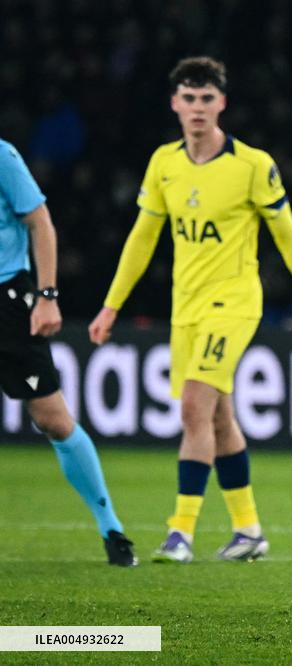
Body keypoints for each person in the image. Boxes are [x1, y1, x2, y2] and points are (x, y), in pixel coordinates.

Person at [89, 57, 292, 563]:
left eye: (206, 99)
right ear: (175, 103)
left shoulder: (252, 165)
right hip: (187, 308)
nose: (197, 108)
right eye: (189, 98)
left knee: (193, 406)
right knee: (219, 418)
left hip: (235, 303)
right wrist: (111, 306)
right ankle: (249, 531)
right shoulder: (164, 163)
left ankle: (180, 532)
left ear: (221, 103)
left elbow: (289, 236)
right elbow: (142, 239)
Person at [0, 138, 137, 566]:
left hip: (7, 298)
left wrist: (46, 297)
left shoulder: (2, 156)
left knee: (52, 419)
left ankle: (111, 527)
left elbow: (40, 222)